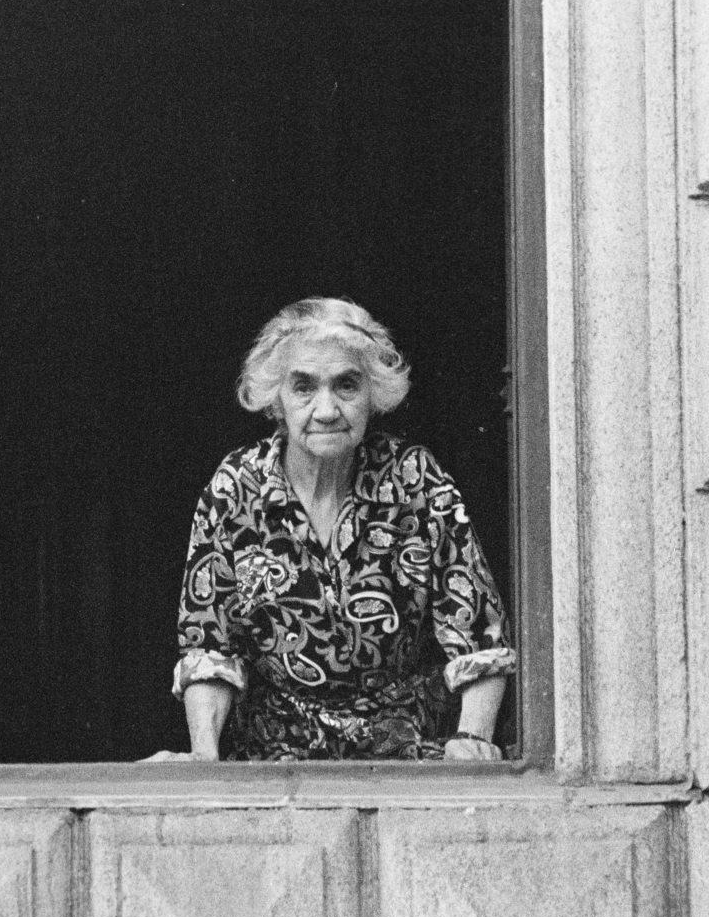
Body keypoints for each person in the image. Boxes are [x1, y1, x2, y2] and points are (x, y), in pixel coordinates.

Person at [162, 297, 515, 762]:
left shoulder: (414, 477)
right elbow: (209, 645)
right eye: (303, 387)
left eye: (346, 385)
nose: (326, 409)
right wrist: (205, 761)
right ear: (275, 398)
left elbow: (478, 634)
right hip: (274, 755)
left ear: (374, 392)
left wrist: (472, 740)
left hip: (406, 748)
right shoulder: (236, 488)